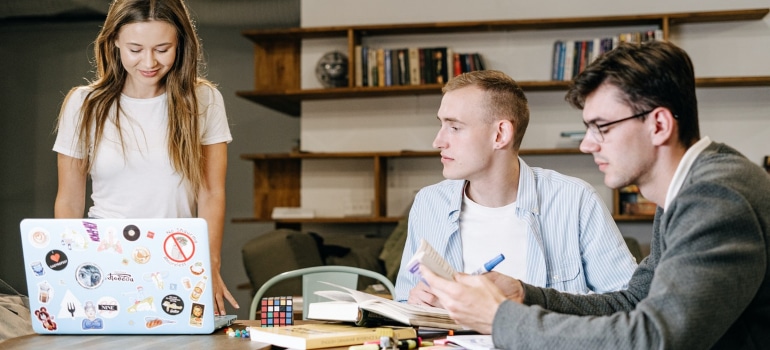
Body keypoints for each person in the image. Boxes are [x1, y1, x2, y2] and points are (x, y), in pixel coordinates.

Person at [420, 41, 770, 349]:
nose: (588, 144)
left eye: (602, 127)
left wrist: (498, 318)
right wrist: (525, 295)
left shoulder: (715, 197)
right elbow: (634, 301)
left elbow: (654, 339)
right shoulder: (689, 188)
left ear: (659, 125)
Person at [53, 0, 238, 315]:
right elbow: (70, 201)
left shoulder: (204, 100)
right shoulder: (83, 105)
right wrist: (68, 273)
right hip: (102, 260)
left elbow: (211, 192)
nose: (149, 61)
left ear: (180, 43)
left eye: (162, 48)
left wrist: (209, 264)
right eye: (135, 49)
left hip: (178, 258)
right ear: (114, 42)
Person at [394, 70, 637, 304]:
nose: (438, 141)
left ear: (500, 134)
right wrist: (414, 301)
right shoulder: (428, 203)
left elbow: (629, 301)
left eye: (454, 127)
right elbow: (404, 300)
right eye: (441, 125)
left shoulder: (576, 200)